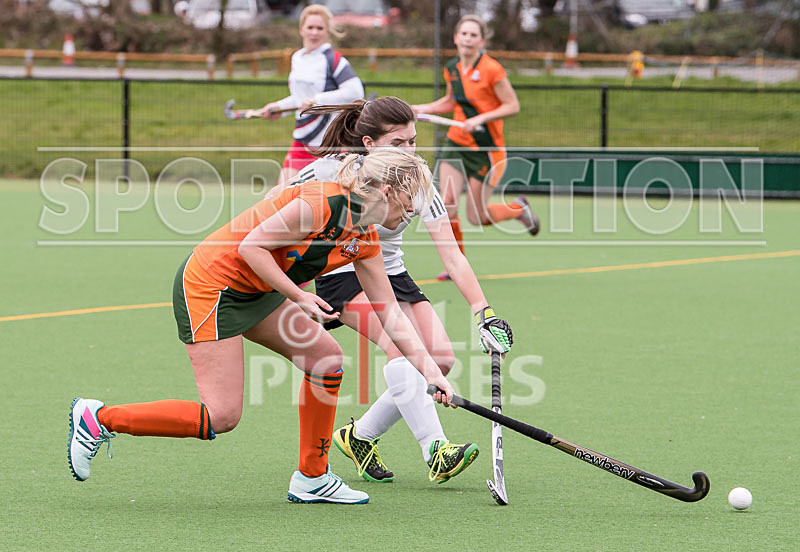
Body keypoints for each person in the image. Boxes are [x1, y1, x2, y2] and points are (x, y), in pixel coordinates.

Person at [67, 149, 456, 505]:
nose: (410, 214)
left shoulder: (365, 239)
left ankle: (312, 477)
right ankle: (98, 419)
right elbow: (252, 246)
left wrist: (432, 373)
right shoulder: (320, 203)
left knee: (326, 360)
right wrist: (299, 296)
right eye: (407, 205)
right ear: (387, 191)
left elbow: (390, 314)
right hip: (212, 286)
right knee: (221, 416)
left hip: (260, 287)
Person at [274, 97, 514, 484]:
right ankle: (436, 449)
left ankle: (360, 436)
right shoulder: (330, 171)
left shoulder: (418, 179)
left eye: (413, 142)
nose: (409, 152)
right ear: (368, 143)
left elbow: (452, 256)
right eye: (398, 143)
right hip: (343, 271)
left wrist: (482, 311)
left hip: (392, 273)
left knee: (441, 360)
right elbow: (274, 205)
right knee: (401, 348)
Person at [412, 14, 540, 281]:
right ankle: (456, 265)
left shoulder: (492, 69)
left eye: (473, 35)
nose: (468, 39)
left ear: (482, 41)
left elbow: (512, 106)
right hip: (456, 144)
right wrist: (421, 109)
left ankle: (518, 208)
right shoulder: (452, 68)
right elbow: (450, 102)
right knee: (447, 205)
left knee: (477, 216)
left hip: (486, 148)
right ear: (456, 38)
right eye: (464, 34)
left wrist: (479, 119)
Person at [260, 4, 364, 185]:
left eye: (319, 28)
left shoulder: (334, 59)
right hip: (303, 140)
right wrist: (279, 108)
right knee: (280, 195)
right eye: (310, 27)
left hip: (330, 143)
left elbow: (355, 92)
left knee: (328, 202)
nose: (314, 33)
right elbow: (301, 98)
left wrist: (318, 100)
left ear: (327, 31)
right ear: (301, 30)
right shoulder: (297, 58)